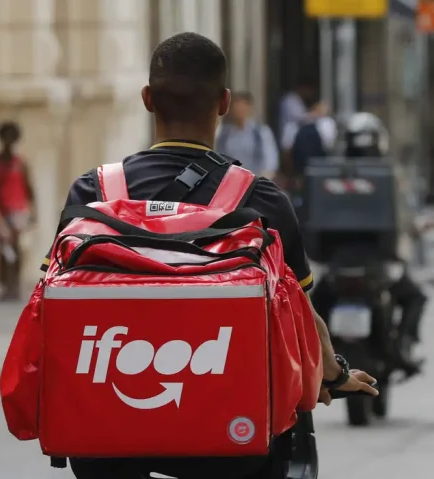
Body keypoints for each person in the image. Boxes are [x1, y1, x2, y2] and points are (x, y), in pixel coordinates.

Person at [45, 32, 377, 479]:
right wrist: (334, 375)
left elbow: (49, 302)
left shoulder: (93, 192)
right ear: (223, 103)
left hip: (105, 437)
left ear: (147, 100)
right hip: (232, 445)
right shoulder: (261, 201)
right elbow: (300, 313)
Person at [311, 112, 427, 375]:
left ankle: (307, 358)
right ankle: (407, 345)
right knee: (416, 296)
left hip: (336, 266)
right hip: (377, 266)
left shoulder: (327, 176)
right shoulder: (388, 177)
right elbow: (403, 217)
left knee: (311, 309)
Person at [0, 122, 35, 301]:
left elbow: (29, 189)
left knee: (15, 247)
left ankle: (15, 285)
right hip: (0, 213)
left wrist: (33, 213)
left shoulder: (21, 163)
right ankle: (6, 285)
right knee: (4, 249)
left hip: (19, 213)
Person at [280, 91, 337, 192]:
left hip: (318, 168)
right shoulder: (295, 126)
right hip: (301, 170)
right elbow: (288, 152)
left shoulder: (325, 124)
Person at [215, 91, 279, 179]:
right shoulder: (225, 134)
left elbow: (270, 162)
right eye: (235, 106)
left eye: (242, 106)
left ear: (249, 107)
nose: (238, 109)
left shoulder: (260, 132)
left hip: (255, 181)